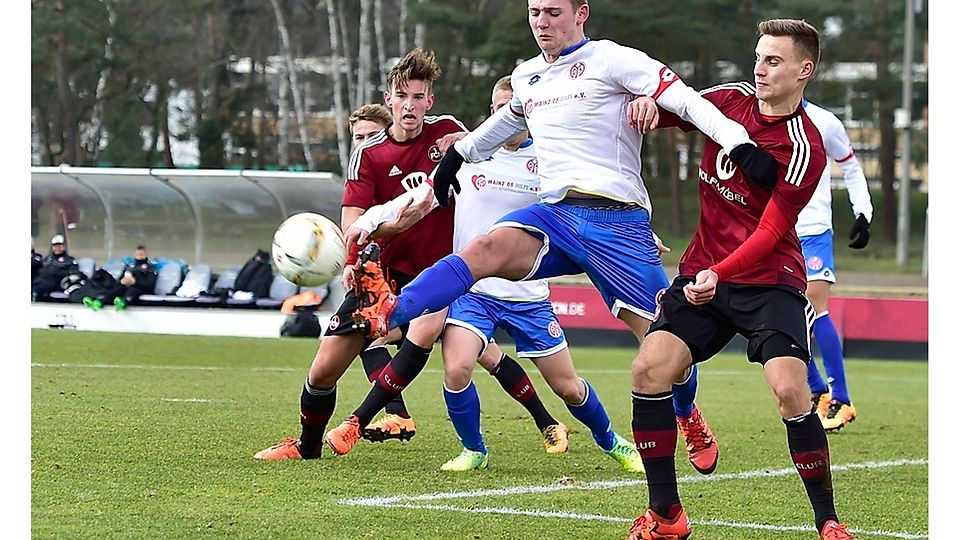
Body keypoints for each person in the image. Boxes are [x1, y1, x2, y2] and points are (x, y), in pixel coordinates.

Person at [345, 0, 766, 469]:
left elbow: (687, 100)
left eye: (552, 12)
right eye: (534, 12)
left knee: (666, 344)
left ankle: (686, 412)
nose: (541, 22)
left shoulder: (613, 58)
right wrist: (456, 158)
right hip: (558, 215)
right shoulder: (527, 76)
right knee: (482, 249)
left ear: (580, 12)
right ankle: (388, 313)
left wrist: (740, 143)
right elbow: (502, 124)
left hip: (618, 224)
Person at [254, 48, 565, 461]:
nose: (410, 105)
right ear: (389, 99)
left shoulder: (451, 133)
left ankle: (369, 420)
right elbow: (352, 228)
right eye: (403, 96)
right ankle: (309, 447)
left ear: (429, 102)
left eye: (419, 97)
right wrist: (377, 242)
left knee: (434, 332)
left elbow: (507, 147)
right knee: (324, 370)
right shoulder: (369, 155)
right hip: (382, 276)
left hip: (445, 275)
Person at [626, 19, 857, 540]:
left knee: (790, 392)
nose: (760, 68)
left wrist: (719, 272)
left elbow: (774, 229)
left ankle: (828, 521)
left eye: (774, 60)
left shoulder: (806, 146)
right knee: (649, 369)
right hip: (704, 273)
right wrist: (646, 109)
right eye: (758, 57)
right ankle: (666, 516)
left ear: (805, 70)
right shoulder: (727, 100)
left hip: (768, 279)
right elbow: (675, 107)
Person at [346, 75, 648, 472]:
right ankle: (474, 450)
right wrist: (370, 220)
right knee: (456, 368)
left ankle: (612, 441)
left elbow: (593, 202)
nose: (504, 116)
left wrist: (639, 232)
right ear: (492, 114)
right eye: (497, 109)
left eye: (513, 109)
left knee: (568, 388)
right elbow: (419, 197)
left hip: (528, 297)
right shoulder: (468, 156)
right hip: (473, 292)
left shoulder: (550, 161)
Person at [343, 101, 567, 450]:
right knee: (480, 355)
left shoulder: (449, 146)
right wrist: (360, 244)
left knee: (438, 340)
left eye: (370, 135)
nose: (364, 142)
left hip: (451, 273)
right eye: (358, 137)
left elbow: (457, 162)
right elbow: (381, 212)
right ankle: (545, 422)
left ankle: (371, 418)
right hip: (410, 271)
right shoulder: (368, 167)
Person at [799, 100, 873, 432]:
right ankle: (816, 388)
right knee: (773, 313)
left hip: (812, 230)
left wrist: (863, 212)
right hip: (768, 232)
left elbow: (852, 167)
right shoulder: (750, 115)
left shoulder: (824, 122)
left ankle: (841, 398)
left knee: (815, 308)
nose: (763, 72)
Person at [82, 245, 158, 311]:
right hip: (126, 287)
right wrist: (122, 281)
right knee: (116, 290)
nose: (140, 256)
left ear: (146, 255)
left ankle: (122, 303)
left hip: (141, 288)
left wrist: (135, 282)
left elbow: (150, 284)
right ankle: (98, 302)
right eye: (138, 254)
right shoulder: (129, 267)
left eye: (142, 254)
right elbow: (118, 281)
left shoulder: (150, 268)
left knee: (133, 291)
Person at [31, 234, 79, 301]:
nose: (57, 248)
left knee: (34, 291)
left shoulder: (69, 260)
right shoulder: (47, 259)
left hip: (56, 284)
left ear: (64, 246)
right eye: (55, 246)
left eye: (59, 246)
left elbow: (75, 273)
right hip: (41, 282)